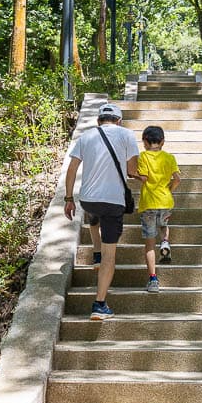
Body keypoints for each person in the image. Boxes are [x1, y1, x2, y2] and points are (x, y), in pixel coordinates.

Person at [64, 103, 141, 320]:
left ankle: (95, 252)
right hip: (113, 202)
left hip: (88, 199)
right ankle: (99, 304)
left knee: (93, 214)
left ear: (99, 120)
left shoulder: (86, 137)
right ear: (119, 120)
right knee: (111, 255)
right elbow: (131, 170)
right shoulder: (127, 135)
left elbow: (72, 169)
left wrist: (69, 198)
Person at [136, 125, 180, 293]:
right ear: (162, 142)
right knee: (164, 225)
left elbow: (145, 178)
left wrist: (133, 174)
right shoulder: (169, 158)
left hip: (149, 203)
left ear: (145, 142)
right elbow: (177, 179)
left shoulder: (143, 157)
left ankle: (153, 280)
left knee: (149, 244)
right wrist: (169, 189)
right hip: (166, 201)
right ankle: (165, 242)